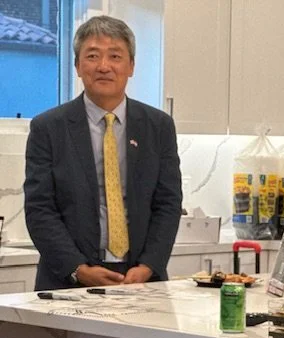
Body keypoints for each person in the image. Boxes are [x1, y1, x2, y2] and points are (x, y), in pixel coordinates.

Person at [24, 16, 182, 291]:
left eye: (115, 56)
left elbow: (168, 203)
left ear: (131, 66)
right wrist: (78, 269)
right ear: (77, 66)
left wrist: (148, 266)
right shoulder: (48, 128)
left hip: (142, 281)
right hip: (68, 281)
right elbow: (39, 208)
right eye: (93, 56)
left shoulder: (158, 126)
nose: (104, 66)